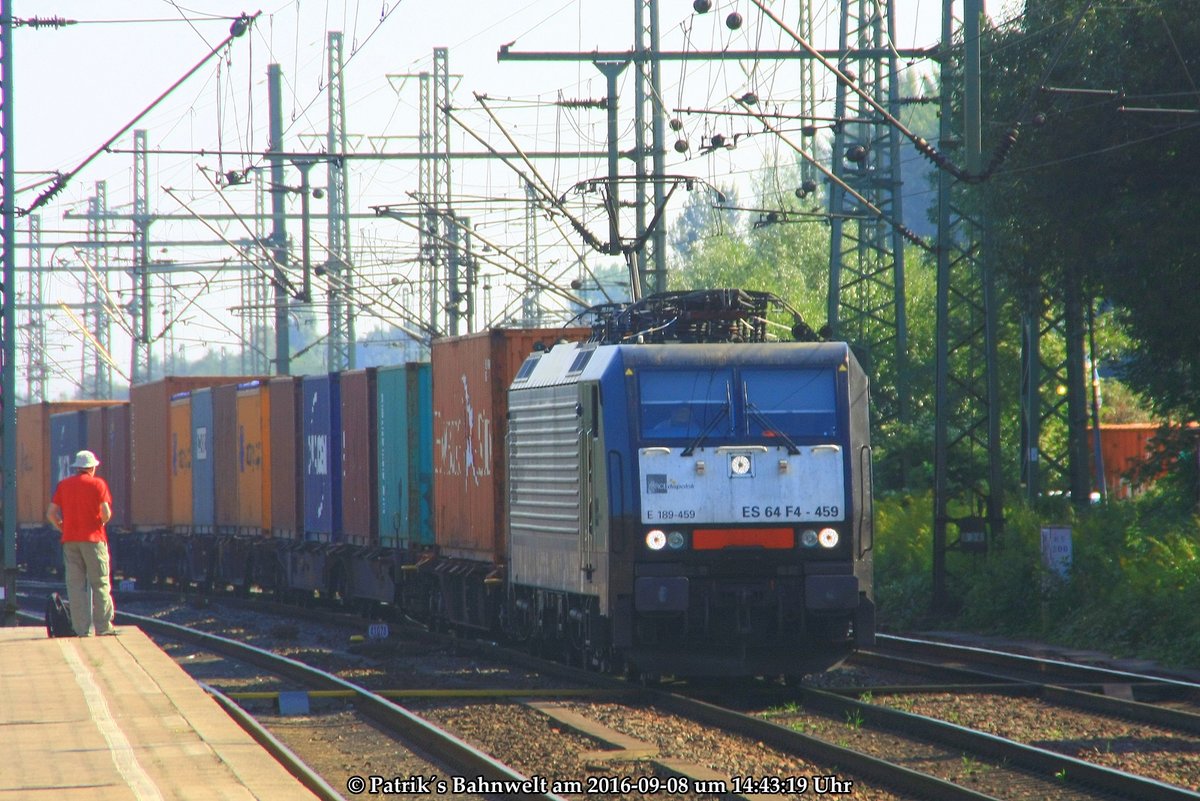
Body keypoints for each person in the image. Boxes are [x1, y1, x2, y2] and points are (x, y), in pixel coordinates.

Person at [46, 449, 117, 636]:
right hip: (94, 540)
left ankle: (81, 629)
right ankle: (103, 627)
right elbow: (106, 513)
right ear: (92, 468)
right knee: (100, 583)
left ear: (77, 468)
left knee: (75, 586)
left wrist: (63, 527)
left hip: (70, 541)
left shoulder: (64, 485)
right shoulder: (98, 484)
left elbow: (51, 514)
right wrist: (99, 523)